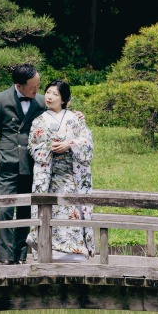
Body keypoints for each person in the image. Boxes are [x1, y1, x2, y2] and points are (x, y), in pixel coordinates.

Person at [0, 63, 46, 264]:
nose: (36, 90)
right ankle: (6, 258)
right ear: (19, 85)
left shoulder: (41, 102)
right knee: (6, 209)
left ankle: (20, 255)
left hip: (31, 163)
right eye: (32, 87)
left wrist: (77, 115)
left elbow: (60, 114)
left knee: (26, 209)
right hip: (7, 164)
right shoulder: (0, 99)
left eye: (38, 85)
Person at [27, 79, 94, 259]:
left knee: (71, 211)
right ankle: (46, 249)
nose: (49, 96)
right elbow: (33, 145)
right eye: (48, 92)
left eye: (55, 94)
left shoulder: (74, 118)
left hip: (70, 175)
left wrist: (70, 144)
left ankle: (74, 250)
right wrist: (49, 146)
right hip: (48, 176)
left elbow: (87, 142)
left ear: (63, 99)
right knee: (48, 210)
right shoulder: (39, 120)